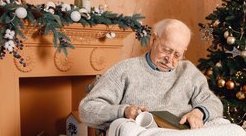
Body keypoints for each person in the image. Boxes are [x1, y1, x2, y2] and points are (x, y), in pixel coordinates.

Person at [79, 19, 223, 129]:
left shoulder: (188, 71)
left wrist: (199, 112)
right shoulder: (124, 70)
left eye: (177, 55)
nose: (170, 59)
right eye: (166, 50)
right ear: (153, 40)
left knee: (234, 133)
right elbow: (87, 110)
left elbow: (213, 103)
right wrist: (124, 111)